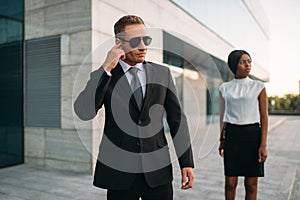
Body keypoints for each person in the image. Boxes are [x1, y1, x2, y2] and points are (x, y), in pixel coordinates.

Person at [74, 15, 194, 200]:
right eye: (135, 41)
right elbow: (84, 111)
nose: (143, 47)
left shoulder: (162, 73)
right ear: (118, 43)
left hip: (157, 170)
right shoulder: (105, 75)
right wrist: (106, 67)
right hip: (119, 172)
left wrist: (186, 162)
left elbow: (177, 119)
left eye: (146, 40)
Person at [218, 50, 268, 200]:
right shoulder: (224, 88)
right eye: (242, 62)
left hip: (253, 136)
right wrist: (222, 140)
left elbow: (264, 117)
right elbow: (224, 117)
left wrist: (263, 145)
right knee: (230, 184)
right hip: (232, 137)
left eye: (249, 61)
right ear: (234, 65)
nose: (247, 65)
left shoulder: (259, 87)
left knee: (251, 185)